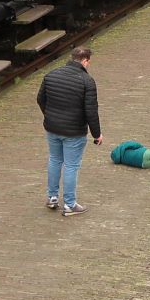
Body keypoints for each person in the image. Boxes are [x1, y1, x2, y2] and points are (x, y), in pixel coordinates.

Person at [38, 46, 102, 217]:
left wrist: (50, 115)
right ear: (85, 61)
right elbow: (91, 111)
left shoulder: (51, 75)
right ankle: (69, 204)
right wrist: (97, 134)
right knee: (71, 166)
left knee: (54, 160)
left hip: (52, 128)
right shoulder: (87, 81)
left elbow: (40, 99)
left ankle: (52, 197)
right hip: (74, 132)